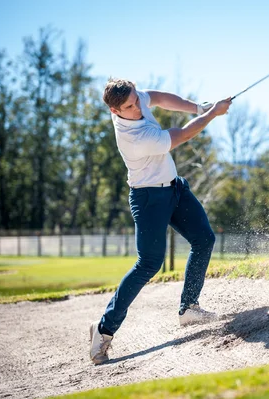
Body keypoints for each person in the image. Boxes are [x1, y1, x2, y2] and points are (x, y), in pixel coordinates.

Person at [89, 78, 232, 365]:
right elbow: (180, 136)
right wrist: (211, 114)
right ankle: (104, 330)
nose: (138, 107)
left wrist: (196, 106)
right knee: (149, 263)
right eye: (130, 106)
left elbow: (157, 97)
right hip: (148, 199)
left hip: (174, 188)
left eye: (136, 100)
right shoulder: (134, 137)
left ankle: (189, 307)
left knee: (204, 239)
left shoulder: (135, 100)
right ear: (116, 112)